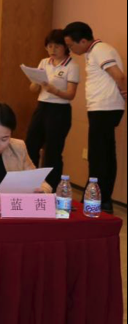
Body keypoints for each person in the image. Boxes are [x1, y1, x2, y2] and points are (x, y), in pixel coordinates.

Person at [63, 21, 126, 213]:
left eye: (71, 45)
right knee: (104, 154)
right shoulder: (93, 52)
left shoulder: (100, 50)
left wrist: (124, 93)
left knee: (98, 156)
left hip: (105, 108)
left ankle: (96, 200)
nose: (70, 50)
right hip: (102, 108)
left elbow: (119, 76)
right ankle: (101, 199)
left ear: (83, 41)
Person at [25, 30, 80, 188]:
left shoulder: (72, 66)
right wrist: (35, 81)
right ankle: (30, 183)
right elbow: (33, 89)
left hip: (59, 111)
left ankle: (51, 187)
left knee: (52, 151)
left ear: (65, 47)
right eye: (49, 46)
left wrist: (53, 90)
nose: (53, 50)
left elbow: (71, 94)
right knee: (30, 145)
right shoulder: (44, 62)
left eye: (57, 46)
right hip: (42, 106)